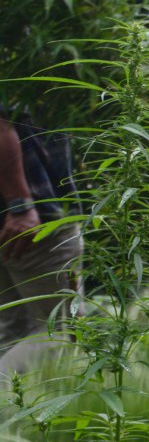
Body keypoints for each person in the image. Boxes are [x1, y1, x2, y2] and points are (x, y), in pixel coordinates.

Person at [0, 108, 81, 373]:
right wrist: (20, 204)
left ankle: (18, 402)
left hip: (13, 219)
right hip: (34, 218)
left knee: (14, 330)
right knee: (61, 332)